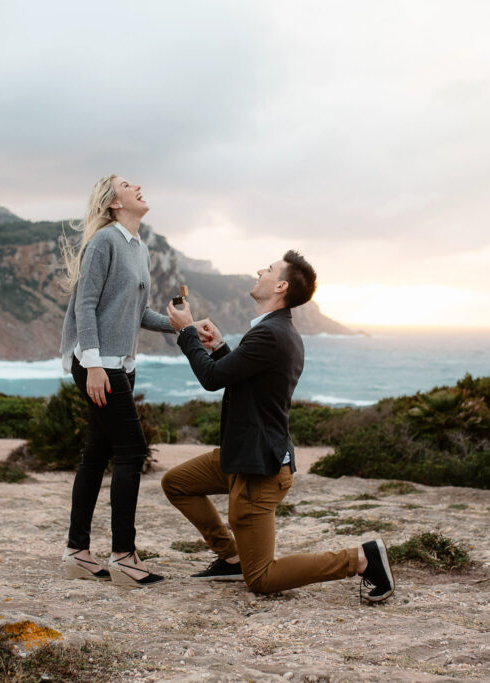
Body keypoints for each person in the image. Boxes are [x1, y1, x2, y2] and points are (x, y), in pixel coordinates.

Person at [162, 251, 395, 603]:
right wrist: (222, 348)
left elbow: (211, 379)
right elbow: (244, 382)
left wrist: (186, 335)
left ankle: (360, 559)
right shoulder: (274, 331)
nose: (259, 270)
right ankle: (230, 557)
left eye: (268, 269)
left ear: (281, 286)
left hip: (259, 469)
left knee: (261, 578)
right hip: (242, 454)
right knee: (176, 483)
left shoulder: (271, 334)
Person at [59, 174, 208, 586]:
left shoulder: (138, 248)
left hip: (119, 364)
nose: (139, 185)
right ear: (113, 203)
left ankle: (78, 552)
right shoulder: (104, 241)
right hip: (99, 365)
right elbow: (86, 305)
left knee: (97, 454)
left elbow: (138, 314)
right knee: (132, 450)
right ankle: (124, 556)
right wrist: (91, 364)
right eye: (128, 184)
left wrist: (186, 328)